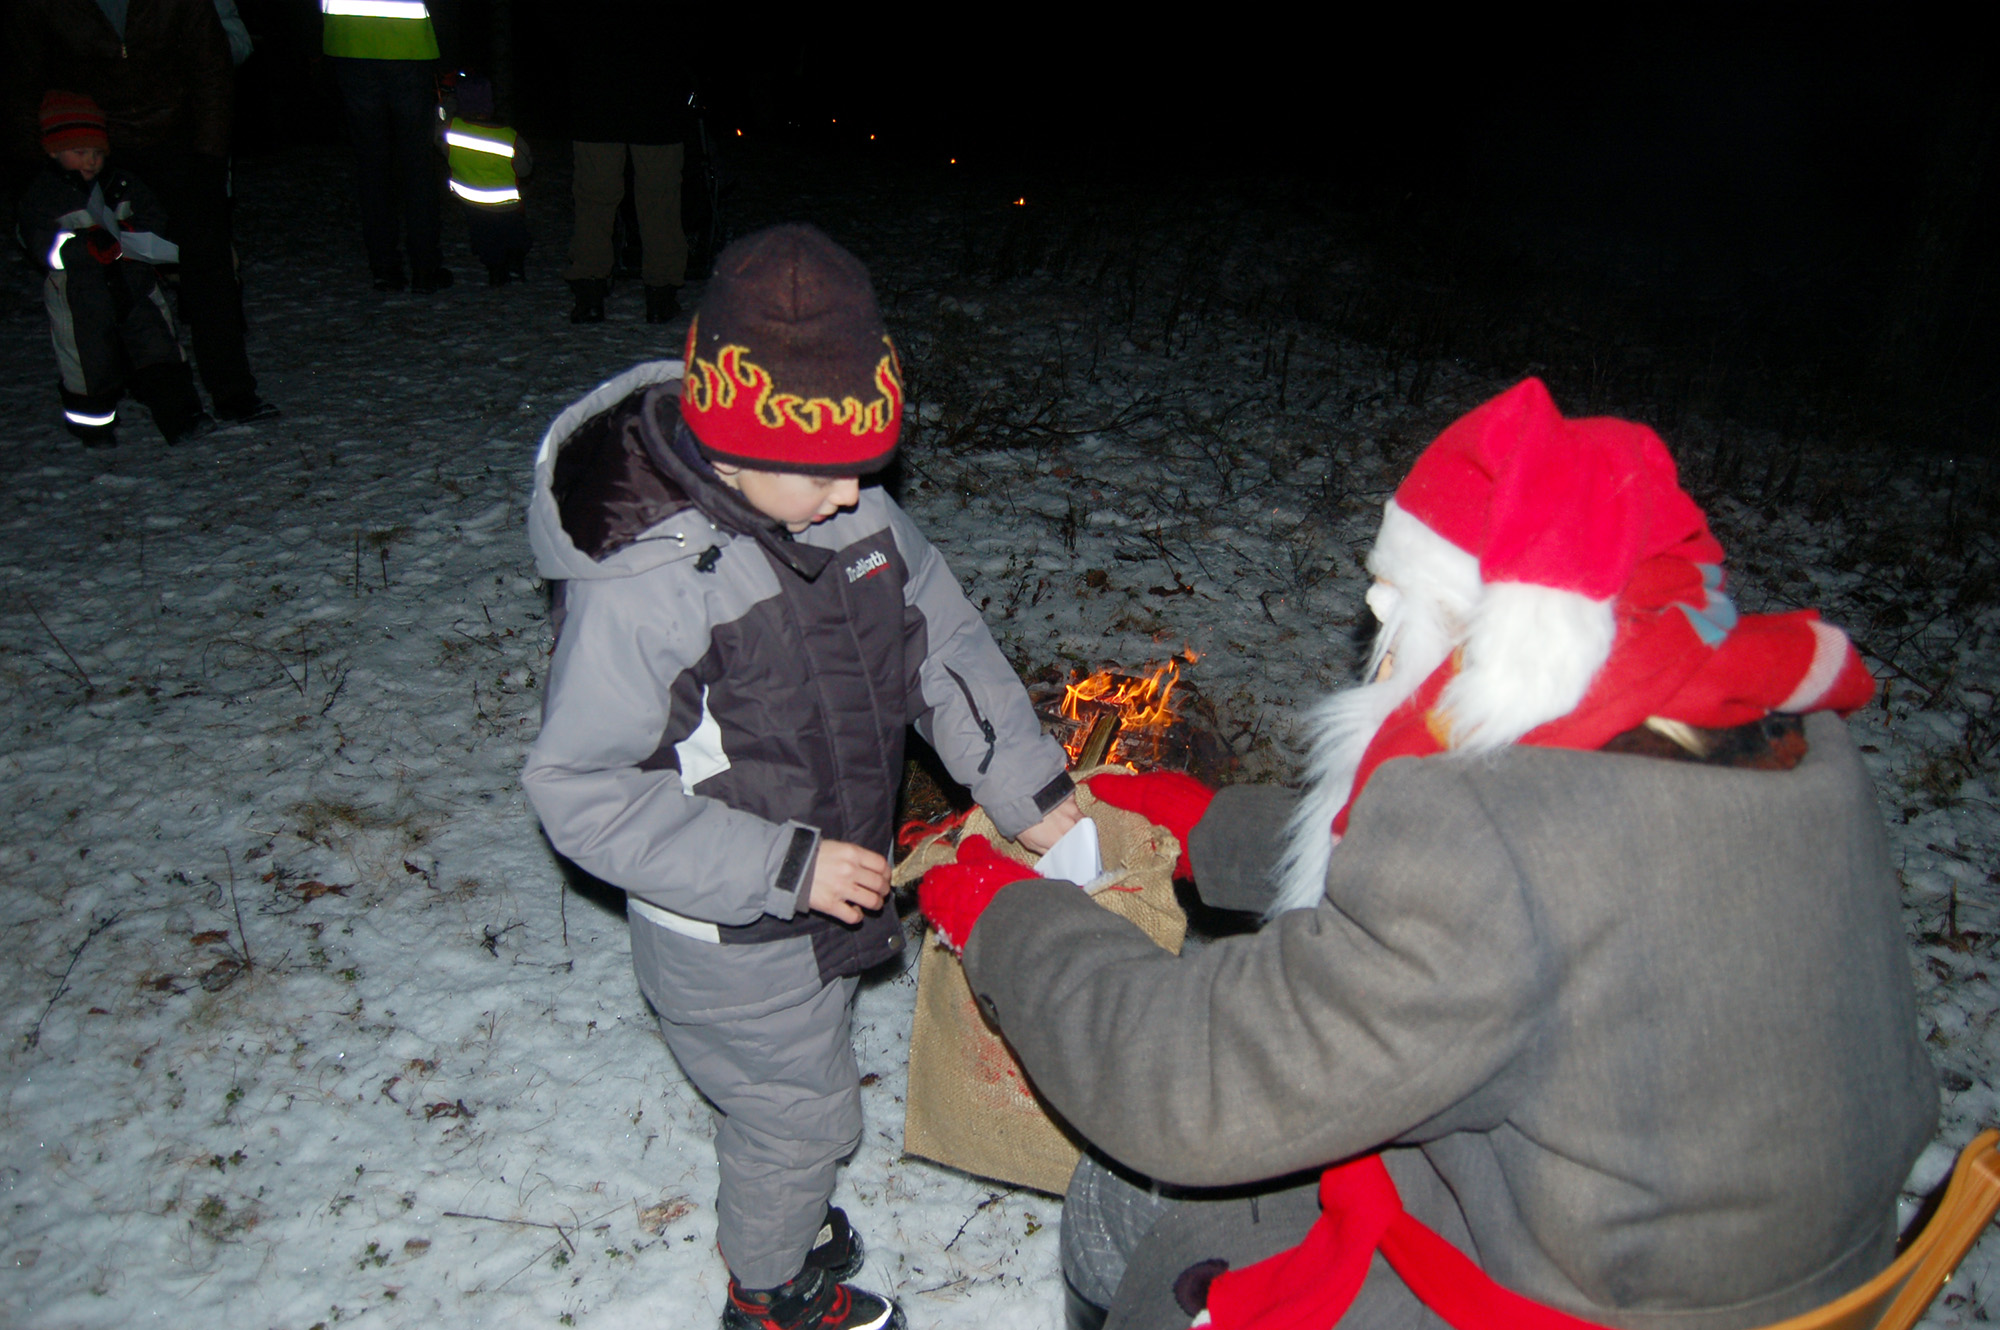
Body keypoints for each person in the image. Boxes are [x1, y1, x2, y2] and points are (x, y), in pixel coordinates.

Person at [918, 378, 1939, 1330]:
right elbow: (1547, 894)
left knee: (1129, 1197)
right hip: (1792, 1276)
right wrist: (1211, 827)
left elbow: (1183, 1081)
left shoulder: (1484, 843)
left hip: (1575, 1299)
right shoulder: (1770, 744)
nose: (1368, 615)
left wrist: (1007, 915)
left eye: (1393, 594)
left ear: (1497, 634)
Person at [522, 224, 1082, 1330]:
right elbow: (584, 789)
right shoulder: (648, 590)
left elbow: (945, 647)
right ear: (730, 445)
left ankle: (784, 1193)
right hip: (723, 924)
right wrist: (784, 866)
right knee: (799, 1109)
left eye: (865, 465)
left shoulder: (851, 513)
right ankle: (769, 1289)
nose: (853, 495)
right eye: (824, 472)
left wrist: (1033, 794)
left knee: (803, 1072)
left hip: (821, 884)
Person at [6, 0, 278, 424]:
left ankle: (233, 390)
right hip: (95, 145)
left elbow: (211, 68)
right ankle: (163, 396)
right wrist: (36, 170)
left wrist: (209, 156)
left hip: (179, 140)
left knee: (208, 264)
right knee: (114, 275)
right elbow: (23, 75)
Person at [19, 90, 213, 447]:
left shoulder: (121, 184)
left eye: (97, 152)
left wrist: (135, 233)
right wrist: (83, 247)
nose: (91, 161)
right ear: (53, 150)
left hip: (134, 286)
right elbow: (41, 247)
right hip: (80, 299)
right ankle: (94, 430)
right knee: (88, 366)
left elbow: (155, 216)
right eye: (80, 152)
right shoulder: (44, 196)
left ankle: (181, 418)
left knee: (159, 350)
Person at [561, 0, 691, 325]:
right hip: (656, 92)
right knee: (659, 199)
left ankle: (590, 292)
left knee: (595, 198)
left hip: (598, 90)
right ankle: (660, 295)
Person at [320, 0, 453, 292]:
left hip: (349, 44)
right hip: (409, 45)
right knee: (417, 162)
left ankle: (384, 269)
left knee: (371, 164)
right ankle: (425, 267)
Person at [441, 74, 531, 285]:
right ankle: (515, 264)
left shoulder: (451, 131)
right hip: (507, 204)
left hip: (472, 202)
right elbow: (526, 169)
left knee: (485, 238)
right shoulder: (509, 135)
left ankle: (496, 270)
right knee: (515, 235)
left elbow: (439, 123)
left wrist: (446, 99)